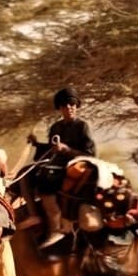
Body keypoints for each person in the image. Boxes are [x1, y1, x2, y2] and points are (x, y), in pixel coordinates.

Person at [29, 87, 97, 248]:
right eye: (65, 105)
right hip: (55, 164)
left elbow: (90, 154)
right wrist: (36, 143)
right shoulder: (56, 127)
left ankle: (55, 227)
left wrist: (67, 150)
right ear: (59, 108)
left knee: (46, 178)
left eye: (72, 104)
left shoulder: (82, 126)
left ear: (76, 106)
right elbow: (50, 150)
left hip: (74, 167)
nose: (69, 108)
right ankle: (34, 215)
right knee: (26, 175)